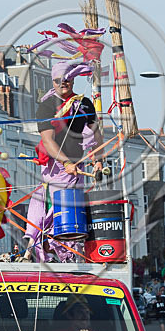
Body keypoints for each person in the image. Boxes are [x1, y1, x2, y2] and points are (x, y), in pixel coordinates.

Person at [24, 61, 104, 260]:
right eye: (59, 80)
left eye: (67, 79)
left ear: (73, 79)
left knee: (73, 212)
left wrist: (99, 160)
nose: (63, 83)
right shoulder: (47, 105)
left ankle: (70, 254)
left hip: (78, 164)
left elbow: (96, 135)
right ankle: (45, 249)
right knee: (56, 210)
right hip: (57, 167)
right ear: (53, 81)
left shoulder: (85, 103)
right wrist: (66, 162)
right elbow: (48, 141)